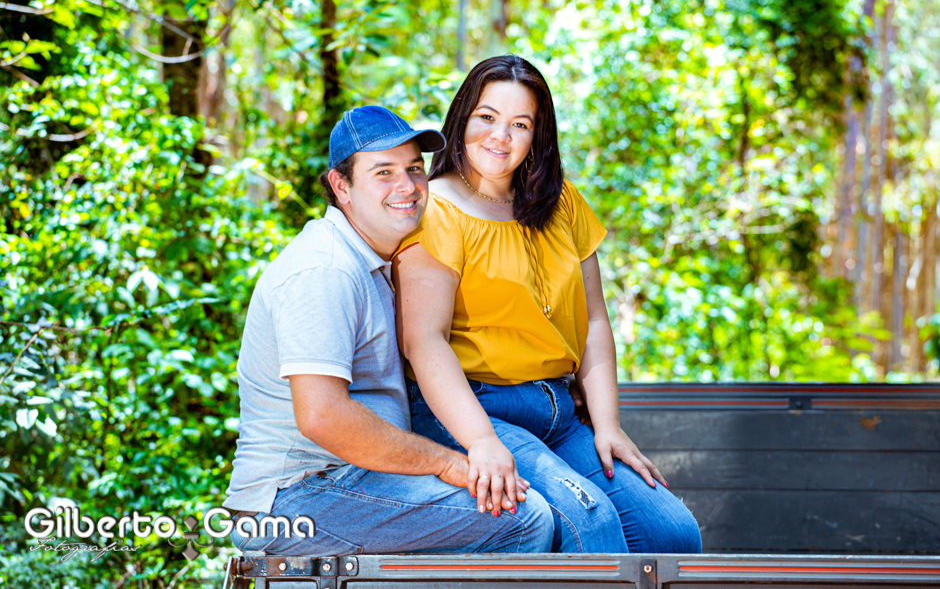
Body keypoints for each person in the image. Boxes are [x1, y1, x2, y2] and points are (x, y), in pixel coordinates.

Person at [393, 56, 702, 554]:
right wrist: (480, 440)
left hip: (558, 412)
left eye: (520, 124)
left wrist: (608, 425)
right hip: (475, 409)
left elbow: (594, 320)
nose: (500, 136)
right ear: (462, 118)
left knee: (672, 534)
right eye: (486, 117)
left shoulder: (563, 204)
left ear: (538, 135)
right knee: (591, 524)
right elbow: (424, 342)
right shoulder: (436, 212)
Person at [224, 105, 554, 556]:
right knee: (521, 518)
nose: (408, 186)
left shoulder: (374, 260)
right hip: (294, 498)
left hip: (351, 480)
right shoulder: (325, 269)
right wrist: (446, 463)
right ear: (341, 186)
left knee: (510, 492)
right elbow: (322, 416)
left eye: (414, 168)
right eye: (384, 172)